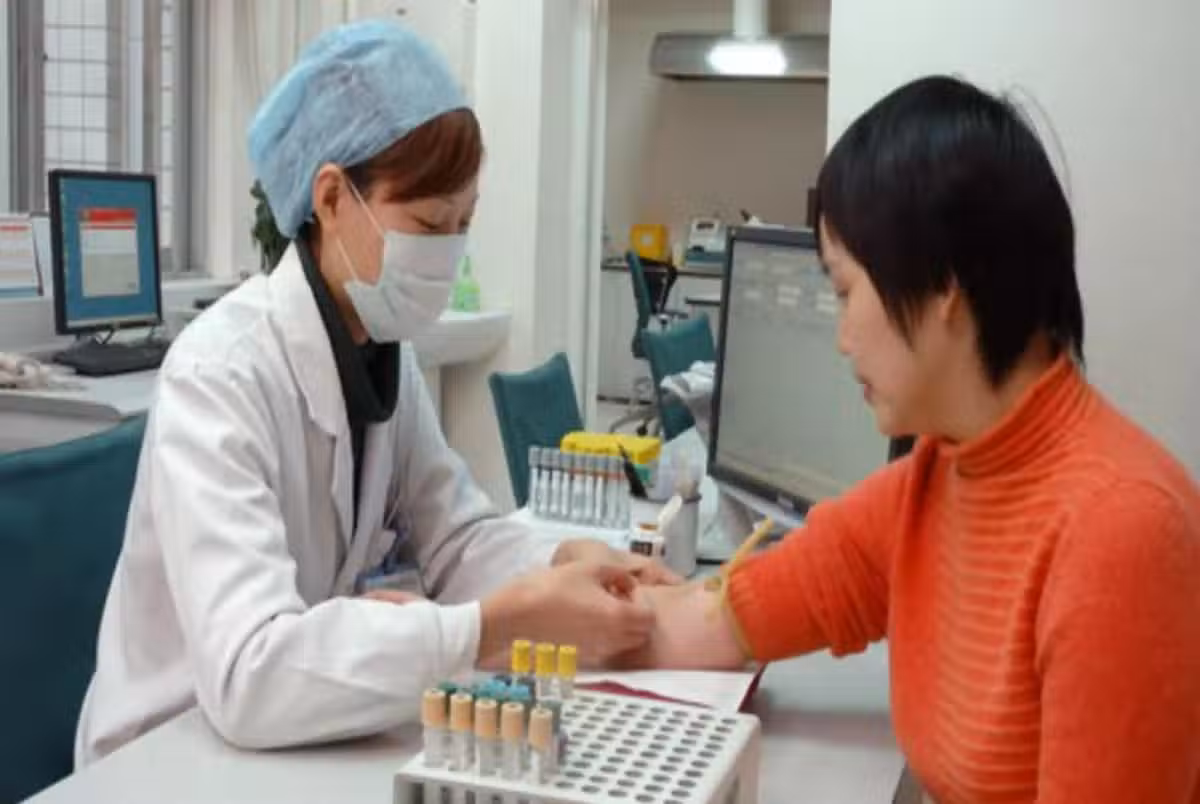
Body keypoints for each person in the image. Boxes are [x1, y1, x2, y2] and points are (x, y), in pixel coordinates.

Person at [76, 21, 677, 766]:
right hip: (164, 751)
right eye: (427, 222)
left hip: (286, 736)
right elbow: (249, 673)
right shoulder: (219, 376)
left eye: (463, 222)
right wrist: (488, 626)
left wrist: (564, 561)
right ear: (331, 198)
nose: (447, 249)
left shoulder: (380, 352)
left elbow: (457, 539)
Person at [627, 76, 1200, 803]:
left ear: (943, 284)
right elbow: (719, 622)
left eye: (845, 291)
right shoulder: (938, 478)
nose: (841, 338)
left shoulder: (1123, 533)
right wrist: (576, 605)